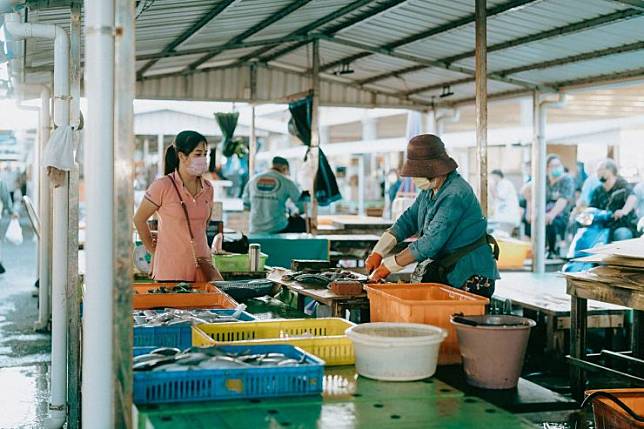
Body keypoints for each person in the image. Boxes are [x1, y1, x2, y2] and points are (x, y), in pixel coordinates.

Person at [366, 134, 499, 298]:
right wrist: (378, 252)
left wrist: (388, 266)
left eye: (418, 173)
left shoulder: (455, 194)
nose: (415, 178)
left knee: (454, 322)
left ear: (435, 169)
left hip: (470, 274)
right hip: (448, 269)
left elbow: (430, 242)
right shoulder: (429, 191)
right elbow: (408, 221)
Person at [133, 130, 222, 282]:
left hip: (202, 268)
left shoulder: (208, 188)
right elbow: (139, 219)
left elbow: (203, 225)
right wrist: (154, 250)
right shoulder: (162, 186)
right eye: (198, 154)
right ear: (182, 156)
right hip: (170, 270)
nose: (203, 159)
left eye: (205, 154)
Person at [242, 156, 306, 234]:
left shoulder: (253, 180)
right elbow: (302, 206)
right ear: (284, 168)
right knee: (302, 223)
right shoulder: (286, 182)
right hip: (278, 228)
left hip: (255, 228)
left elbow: (246, 206)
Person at [589, 159, 639, 241]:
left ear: (609, 171)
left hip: (623, 225)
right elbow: (591, 208)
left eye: (600, 169)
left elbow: (632, 197)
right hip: (603, 226)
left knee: (621, 234)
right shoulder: (597, 190)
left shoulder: (622, 184)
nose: (597, 172)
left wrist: (623, 211)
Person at [544, 154, 575, 258]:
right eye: (553, 166)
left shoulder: (566, 179)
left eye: (558, 165)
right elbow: (526, 190)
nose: (556, 168)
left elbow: (563, 199)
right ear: (547, 168)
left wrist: (551, 214)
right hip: (545, 212)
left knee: (550, 221)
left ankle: (552, 250)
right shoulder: (544, 180)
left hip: (562, 214)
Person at [489, 169, 520, 235]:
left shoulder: (505, 183)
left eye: (492, 177)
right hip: (504, 217)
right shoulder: (500, 184)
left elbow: (500, 196)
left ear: (497, 176)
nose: (492, 179)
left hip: (507, 217)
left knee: (502, 235)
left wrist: (492, 188)